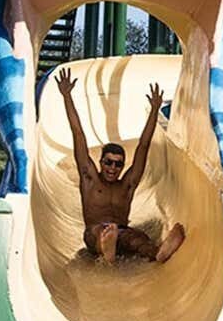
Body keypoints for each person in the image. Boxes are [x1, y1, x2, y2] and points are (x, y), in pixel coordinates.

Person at [56, 68, 185, 263]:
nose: (112, 168)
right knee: (100, 232)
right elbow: (78, 134)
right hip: (95, 232)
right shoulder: (90, 179)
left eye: (118, 164)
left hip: (121, 231)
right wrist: (67, 97)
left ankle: (157, 253)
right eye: (108, 162)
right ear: (100, 162)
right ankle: (106, 246)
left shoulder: (126, 185)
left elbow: (143, 145)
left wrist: (154, 111)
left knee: (136, 239)